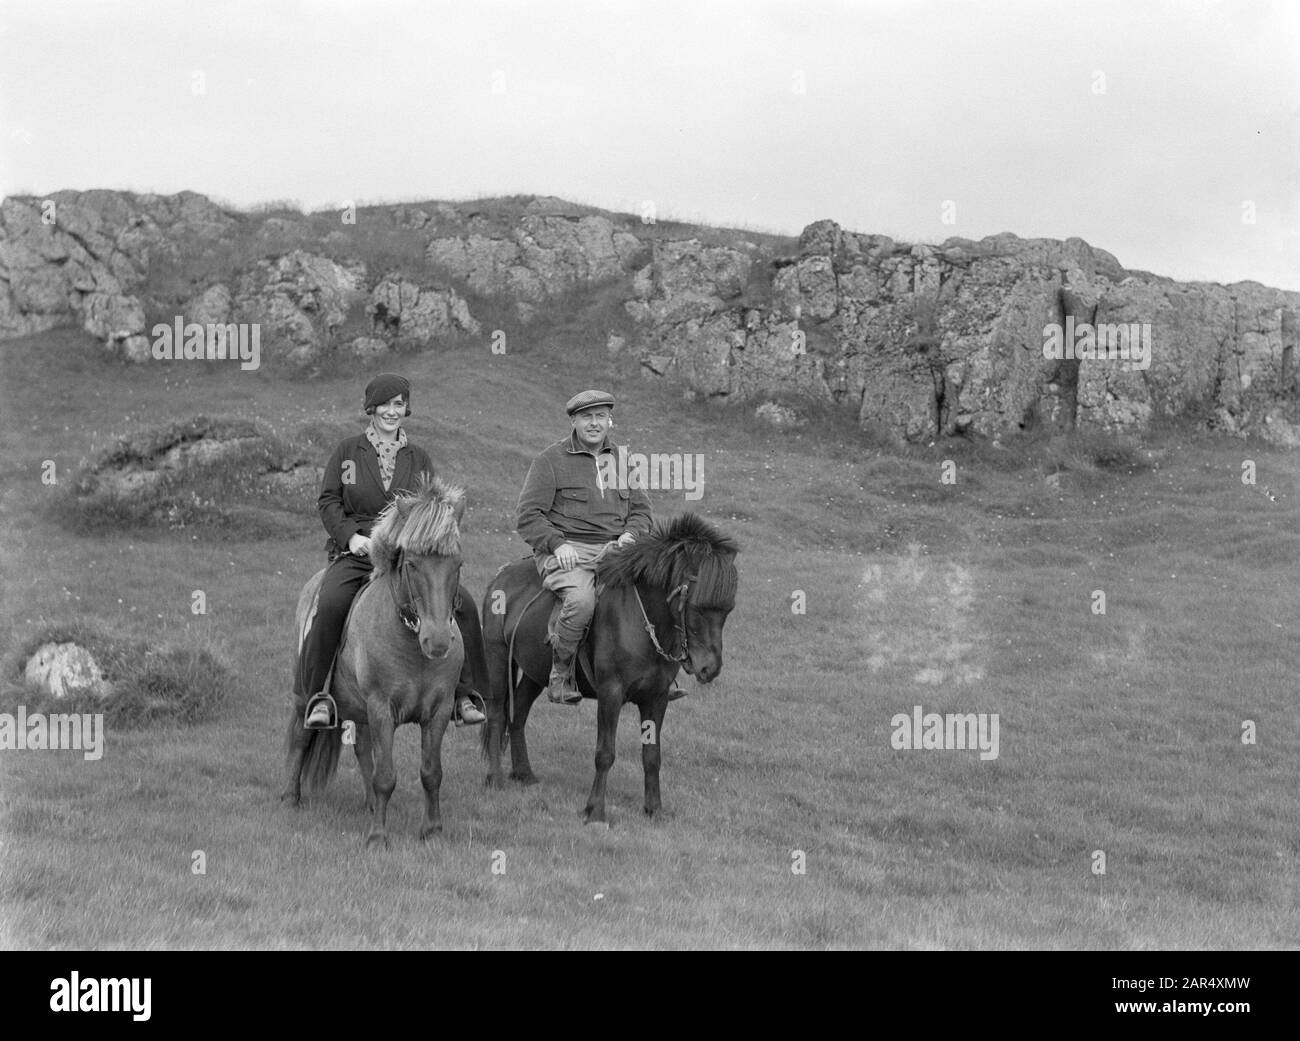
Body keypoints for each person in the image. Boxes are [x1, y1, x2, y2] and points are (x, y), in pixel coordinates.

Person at [296, 372, 486, 728]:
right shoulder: (347, 452)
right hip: (357, 553)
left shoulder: (418, 458)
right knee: (332, 603)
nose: (391, 411)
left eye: (398, 404)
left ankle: (464, 695)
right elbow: (329, 501)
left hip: (407, 558)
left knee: (466, 607)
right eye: (384, 404)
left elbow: (432, 506)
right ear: (371, 408)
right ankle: (317, 696)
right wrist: (352, 536)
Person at [516, 389, 686, 704]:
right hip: (569, 553)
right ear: (574, 421)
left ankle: (663, 673)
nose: (594, 423)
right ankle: (561, 672)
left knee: (661, 593)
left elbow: (641, 511)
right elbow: (528, 516)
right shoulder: (550, 461)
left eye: (600, 416)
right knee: (581, 602)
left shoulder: (623, 460)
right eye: (586, 417)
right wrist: (557, 544)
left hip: (617, 552)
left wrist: (631, 536)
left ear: (610, 420)